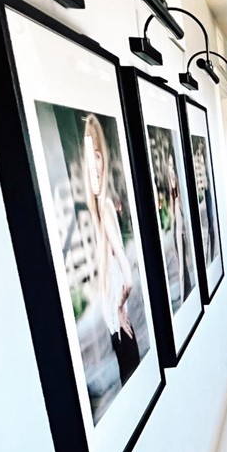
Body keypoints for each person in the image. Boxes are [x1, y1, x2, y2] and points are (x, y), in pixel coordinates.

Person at [84, 114, 139, 384]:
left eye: (97, 156)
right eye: (89, 159)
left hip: (117, 323)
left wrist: (119, 306)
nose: (94, 165)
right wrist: (118, 307)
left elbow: (127, 277)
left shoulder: (104, 207)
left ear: (103, 158)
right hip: (115, 322)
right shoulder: (101, 208)